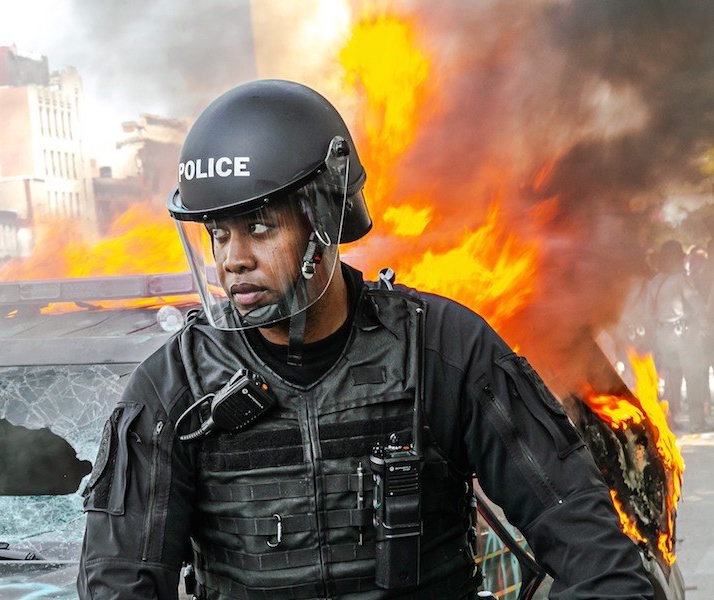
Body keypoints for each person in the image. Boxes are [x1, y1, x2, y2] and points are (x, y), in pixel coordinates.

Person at [78, 80, 653, 599]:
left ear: (324, 217)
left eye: (258, 227)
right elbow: (118, 583)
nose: (233, 260)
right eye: (218, 234)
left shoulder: (444, 350)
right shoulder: (172, 389)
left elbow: (595, 554)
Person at [650, 240, 710, 433]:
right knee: (693, 378)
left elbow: (649, 312)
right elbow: (698, 306)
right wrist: (705, 326)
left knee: (671, 381)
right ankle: (697, 422)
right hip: (684, 336)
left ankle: (669, 420)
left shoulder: (654, 282)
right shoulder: (680, 280)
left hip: (663, 336)